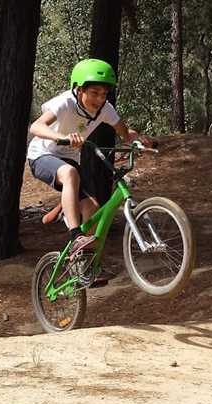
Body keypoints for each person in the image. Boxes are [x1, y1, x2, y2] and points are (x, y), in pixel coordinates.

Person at [27, 58, 150, 257]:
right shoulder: (65, 103)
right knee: (70, 174)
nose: (100, 99)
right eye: (94, 93)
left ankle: (83, 264)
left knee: (93, 207)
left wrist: (139, 139)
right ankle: (76, 237)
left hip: (69, 160)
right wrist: (63, 138)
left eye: (104, 94)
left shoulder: (106, 109)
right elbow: (36, 126)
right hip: (42, 155)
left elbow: (125, 133)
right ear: (79, 89)